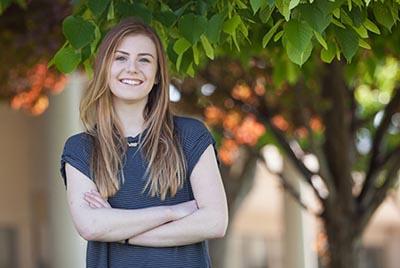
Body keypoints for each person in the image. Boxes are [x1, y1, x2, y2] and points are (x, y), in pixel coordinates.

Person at [59, 17, 228, 268]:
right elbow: (92, 226)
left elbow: (215, 222)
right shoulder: (81, 149)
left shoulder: (191, 135)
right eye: (121, 58)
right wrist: (172, 213)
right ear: (105, 68)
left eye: (145, 60)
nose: (132, 68)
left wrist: (119, 230)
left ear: (158, 74)